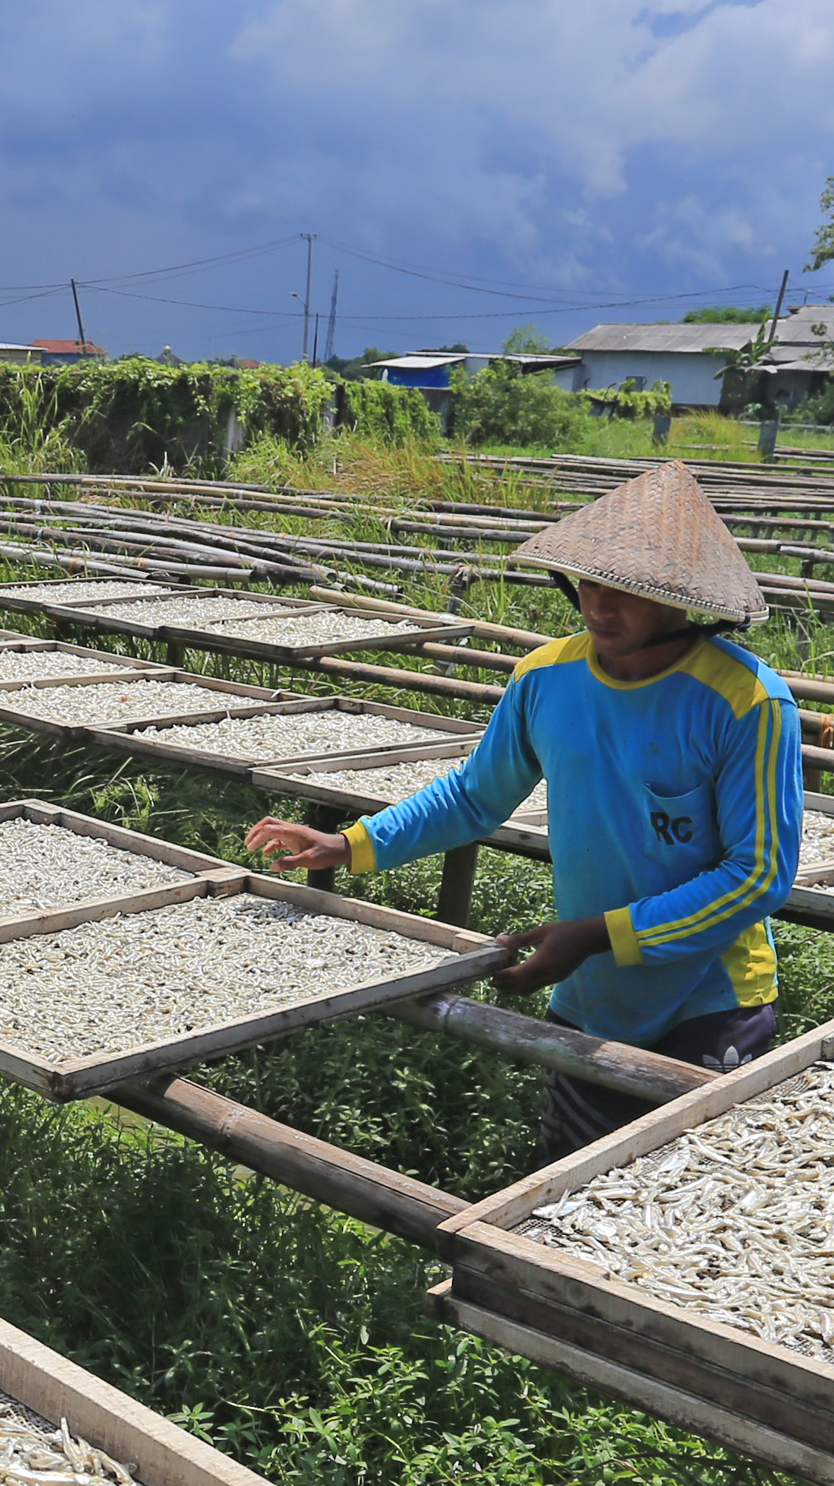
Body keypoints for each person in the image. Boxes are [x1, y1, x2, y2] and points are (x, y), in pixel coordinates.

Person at [248, 461, 805, 1156]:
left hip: (710, 1004)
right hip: (590, 997)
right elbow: (476, 796)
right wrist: (352, 843)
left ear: (681, 596)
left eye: (626, 590)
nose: (600, 607)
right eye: (589, 584)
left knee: (684, 1212)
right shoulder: (546, 677)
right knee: (566, 1203)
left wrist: (594, 934)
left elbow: (757, 876)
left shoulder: (746, 701)